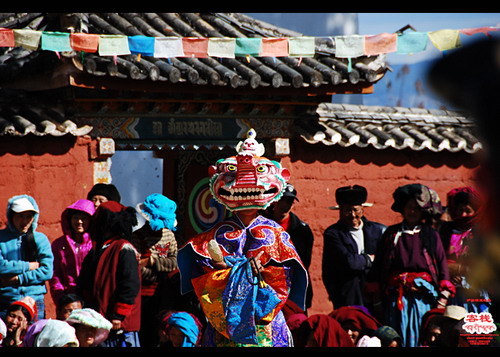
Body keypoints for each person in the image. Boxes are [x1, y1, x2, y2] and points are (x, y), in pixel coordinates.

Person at [178, 129, 308, 347]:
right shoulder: (214, 236)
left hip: (264, 323)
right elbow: (203, 274)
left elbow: (284, 276)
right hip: (225, 322)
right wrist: (225, 268)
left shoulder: (276, 233)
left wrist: (257, 273)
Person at [370, 183, 455, 347]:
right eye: (409, 207)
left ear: (422, 211)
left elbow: (442, 266)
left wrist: (442, 299)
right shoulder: (392, 234)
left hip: (423, 299)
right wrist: (377, 299)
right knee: (396, 335)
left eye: (416, 208)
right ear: (402, 209)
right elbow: (379, 265)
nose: (412, 211)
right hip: (396, 298)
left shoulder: (431, 235)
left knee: (420, 335)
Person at [77, 201, 141, 347]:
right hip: (99, 320)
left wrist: (119, 315)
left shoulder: (124, 249)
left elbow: (130, 285)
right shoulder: (98, 250)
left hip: (119, 325)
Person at [322, 185, 386, 310]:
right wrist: (370, 259)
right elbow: (349, 262)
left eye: (356, 210)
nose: (352, 215)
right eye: (347, 210)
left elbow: (384, 260)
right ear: (340, 211)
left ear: (362, 210)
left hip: (374, 294)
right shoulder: (333, 234)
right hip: (347, 294)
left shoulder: (377, 231)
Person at [131, 193, 179, 347]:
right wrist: (158, 273)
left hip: (165, 295)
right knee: (146, 334)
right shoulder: (136, 238)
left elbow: (174, 263)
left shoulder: (169, 236)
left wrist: (151, 261)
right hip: (142, 296)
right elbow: (136, 268)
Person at [0, 195, 53, 321]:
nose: (25, 221)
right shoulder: (1, 238)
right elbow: (1, 266)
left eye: (29, 216)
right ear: (11, 216)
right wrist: (29, 265)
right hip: (6, 301)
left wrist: (18, 279)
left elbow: (47, 271)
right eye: (20, 216)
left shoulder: (40, 239)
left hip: (34, 300)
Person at [262, 183, 314, 311]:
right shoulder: (260, 226)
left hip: (294, 288)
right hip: (267, 287)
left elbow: (304, 262)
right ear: (274, 200)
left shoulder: (302, 230)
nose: (286, 205)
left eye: (290, 201)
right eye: (283, 200)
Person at [439, 187, 489, 312]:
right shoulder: (446, 231)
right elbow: (437, 256)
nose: (463, 215)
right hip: (451, 291)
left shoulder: (483, 233)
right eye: (460, 210)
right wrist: (448, 271)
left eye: (468, 211)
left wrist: (463, 271)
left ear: (476, 212)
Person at [50, 199, 95, 305]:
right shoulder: (59, 244)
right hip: (68, 300)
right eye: (75, 218)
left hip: (92, 299)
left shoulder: (95, 244)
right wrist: (60, 299)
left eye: (84, 218)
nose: (79, 222)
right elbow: (55, 274)